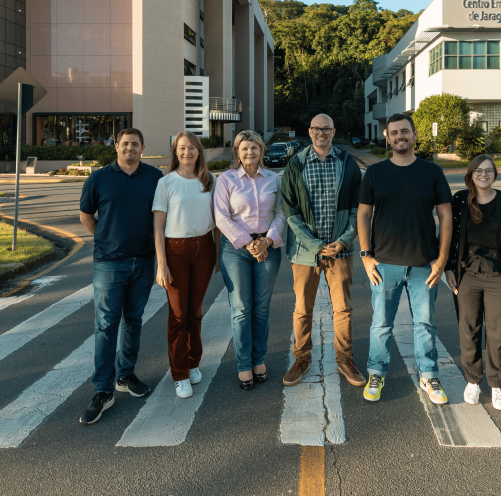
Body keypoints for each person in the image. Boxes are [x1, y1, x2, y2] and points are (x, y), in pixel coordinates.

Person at [357, 113, 452, 404]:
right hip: (385, 263)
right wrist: (365, 255)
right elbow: (363, 213)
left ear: (414, 135)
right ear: (387, 136)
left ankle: (429, 374)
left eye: (405, 131)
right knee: (381, 324)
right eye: (394, 132)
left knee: (425, 323)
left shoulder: (431, 171)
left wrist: (442, 258)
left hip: (425, 263)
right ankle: (377, 372)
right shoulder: (375, 173)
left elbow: (446, 215)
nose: (400, 136)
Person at [78, 127, 162, 425]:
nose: (130, 148)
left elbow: (161, 216)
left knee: (134, 319)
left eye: (135, 144)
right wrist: (103, 239)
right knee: (106, 324)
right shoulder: (99, 178)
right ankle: (102, 390)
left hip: (144, 261)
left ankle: (125, 375)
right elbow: (87, 215)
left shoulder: (155, 177)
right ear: (116, 146)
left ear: (143, 147)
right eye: (125, 144)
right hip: (109, 263)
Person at [280, 114, 366, 388]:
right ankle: (301, 359)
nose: (321, 133)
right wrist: (317, 245)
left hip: (340, 250)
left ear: (333, 131)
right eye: (316, 129)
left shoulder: (348, 163)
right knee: (302, 310)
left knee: (343, 309)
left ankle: (344, 359)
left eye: (326, 129)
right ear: (310, 131)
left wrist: (344, 240)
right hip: (306, 253)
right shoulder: (296, 164)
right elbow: (290, 212)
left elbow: (358, 208)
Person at [445, 155, 501, 410]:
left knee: (497, 331)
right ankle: (473, 381)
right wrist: (449, 267)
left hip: (498, 274)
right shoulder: (460, 200)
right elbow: (448, 234)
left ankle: (496, 385)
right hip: (467, 273)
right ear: (471, 174)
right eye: (478, 171)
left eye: (489, 170)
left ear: (495, 174)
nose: (484, 174)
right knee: (468, 329)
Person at [214, 130, 286, 391]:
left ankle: (259, 360)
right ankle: (244, 364)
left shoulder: (273, 179)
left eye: (254, 148)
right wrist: (248, 242)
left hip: (268, 248)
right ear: (237, 152)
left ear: (261, 151)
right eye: (244, 149)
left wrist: (266, 241)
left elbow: (281, 213)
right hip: (236, 251)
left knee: (262, 308)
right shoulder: (226, 180)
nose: (250, 153)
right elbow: (221, 217)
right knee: (242, 309)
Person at [153, 131, 219, 399]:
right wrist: (162, 264)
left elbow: (218, 220)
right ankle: (179, 373)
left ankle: (193, 363)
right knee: (178, 315)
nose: (187, 152)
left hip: (204, 248)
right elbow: (157, 226)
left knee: (195, 312)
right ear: (175, 152)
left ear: (199, 151)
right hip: (175, 250)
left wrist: (216, 256)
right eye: (182, 148)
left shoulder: (210, 180)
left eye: (192, 148)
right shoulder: (166, 182)